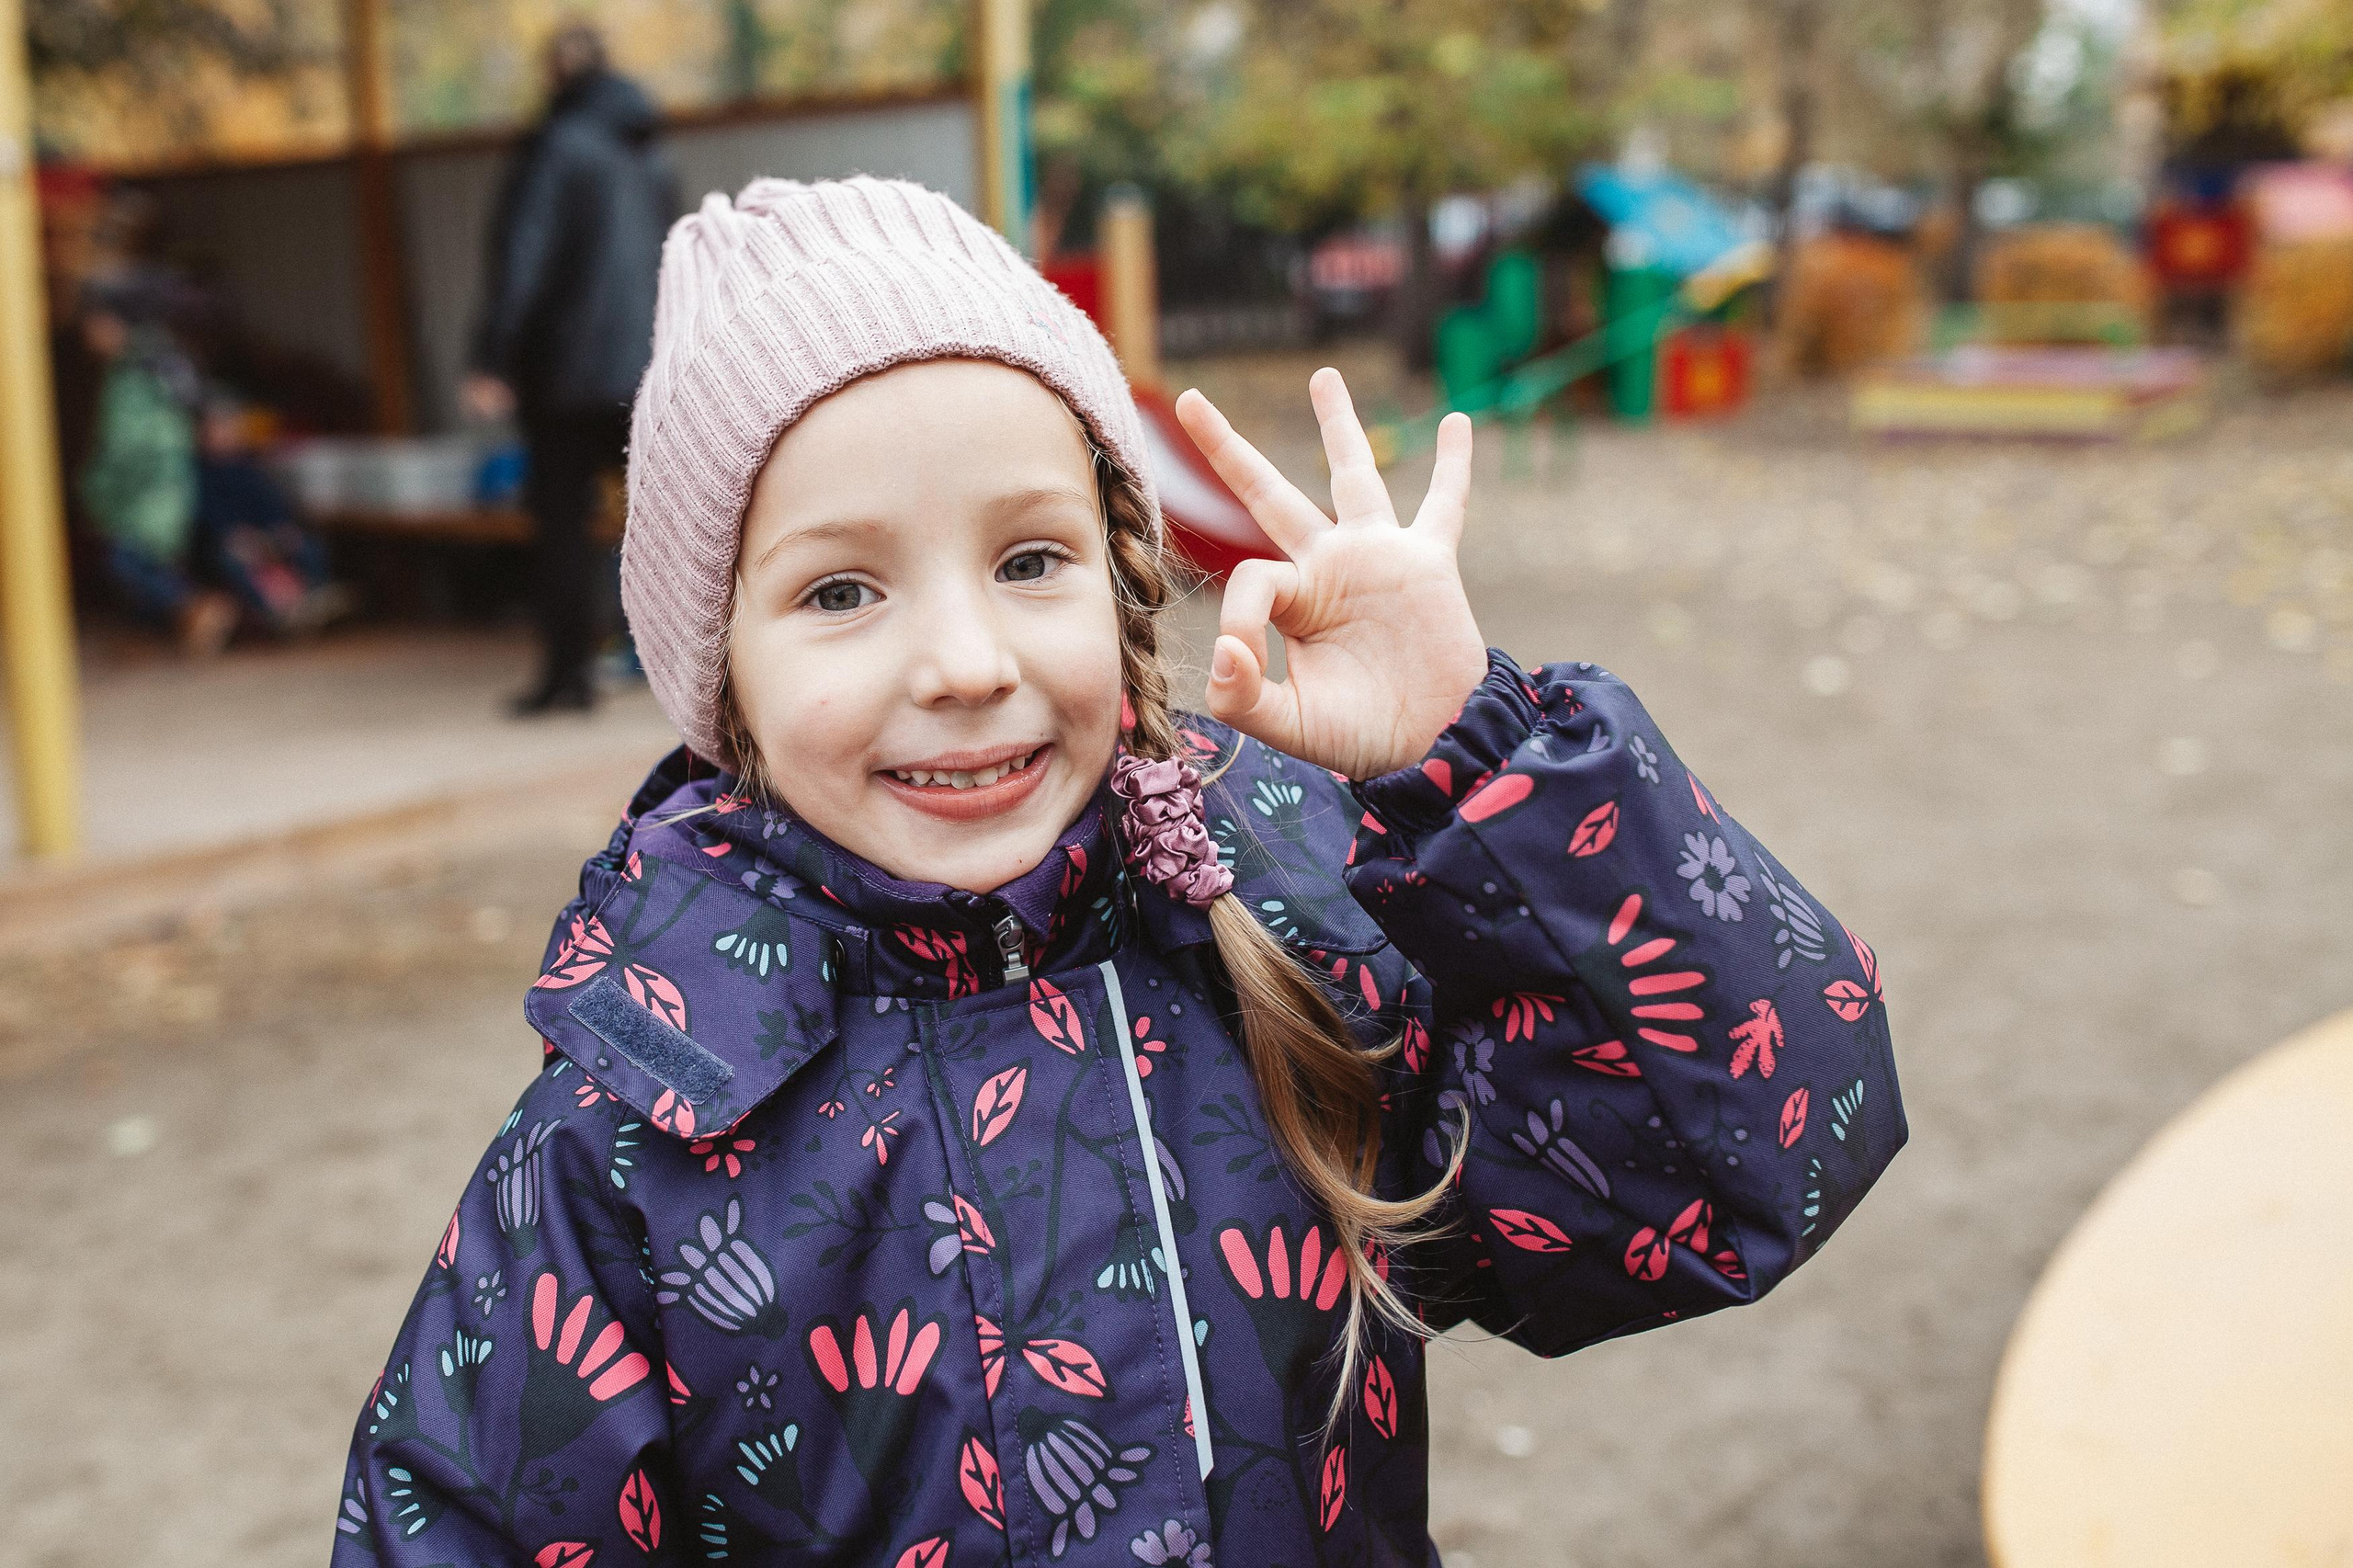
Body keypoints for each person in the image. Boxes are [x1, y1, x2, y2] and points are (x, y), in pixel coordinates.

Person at [333, 179, 1904, 1564]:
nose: (962, 661)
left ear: (1123, 575)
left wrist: (1481, 758)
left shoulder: (1283, 934)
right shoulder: (631, 1136)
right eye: (841, 590)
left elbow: (1744, 1171)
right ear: (718, 671)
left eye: (1029, 561)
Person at [465, 21, 676, 716]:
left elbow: (525, 256)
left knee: (560, 525)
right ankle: (689, 676)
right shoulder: (648, 151)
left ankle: (568, 678)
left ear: (556, 73)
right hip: (645, 369)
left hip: (567, 374)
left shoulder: (558, 147)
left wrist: (494, 356)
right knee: (659, 521)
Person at [77, 287, 239, 656]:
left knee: (130, 559)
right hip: (163, 484)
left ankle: (197, 608)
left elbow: (126, 446)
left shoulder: (138, 372)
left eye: (92, 323)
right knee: (143, 559)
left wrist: (95, 493)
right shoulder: (159, 362)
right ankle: (182, 623)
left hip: (149, 487)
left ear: (114, 322)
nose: (87, 333)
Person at [194, 395, 353, 635]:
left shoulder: (250, 469)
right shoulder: (199, 476)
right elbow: (206, 518)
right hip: (231, 543)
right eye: (216, 428)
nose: (223, 434)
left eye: (228, 427)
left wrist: (280, 529)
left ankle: (314, 597)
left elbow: (273, 506)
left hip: (265, 536)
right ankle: (275, 614)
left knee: (307, 546)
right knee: (233, 560)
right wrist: (234, 536)